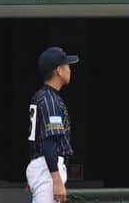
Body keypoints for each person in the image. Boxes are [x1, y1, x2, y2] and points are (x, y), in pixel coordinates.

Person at [26, 46, 79, 203]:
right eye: (67, 65)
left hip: (42, 166)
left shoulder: (41, 95)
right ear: (59, 71)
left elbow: (35, 138)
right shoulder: (50, 100)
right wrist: (55, 180)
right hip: (47, 169)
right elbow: (48, 142)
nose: (70, 69)